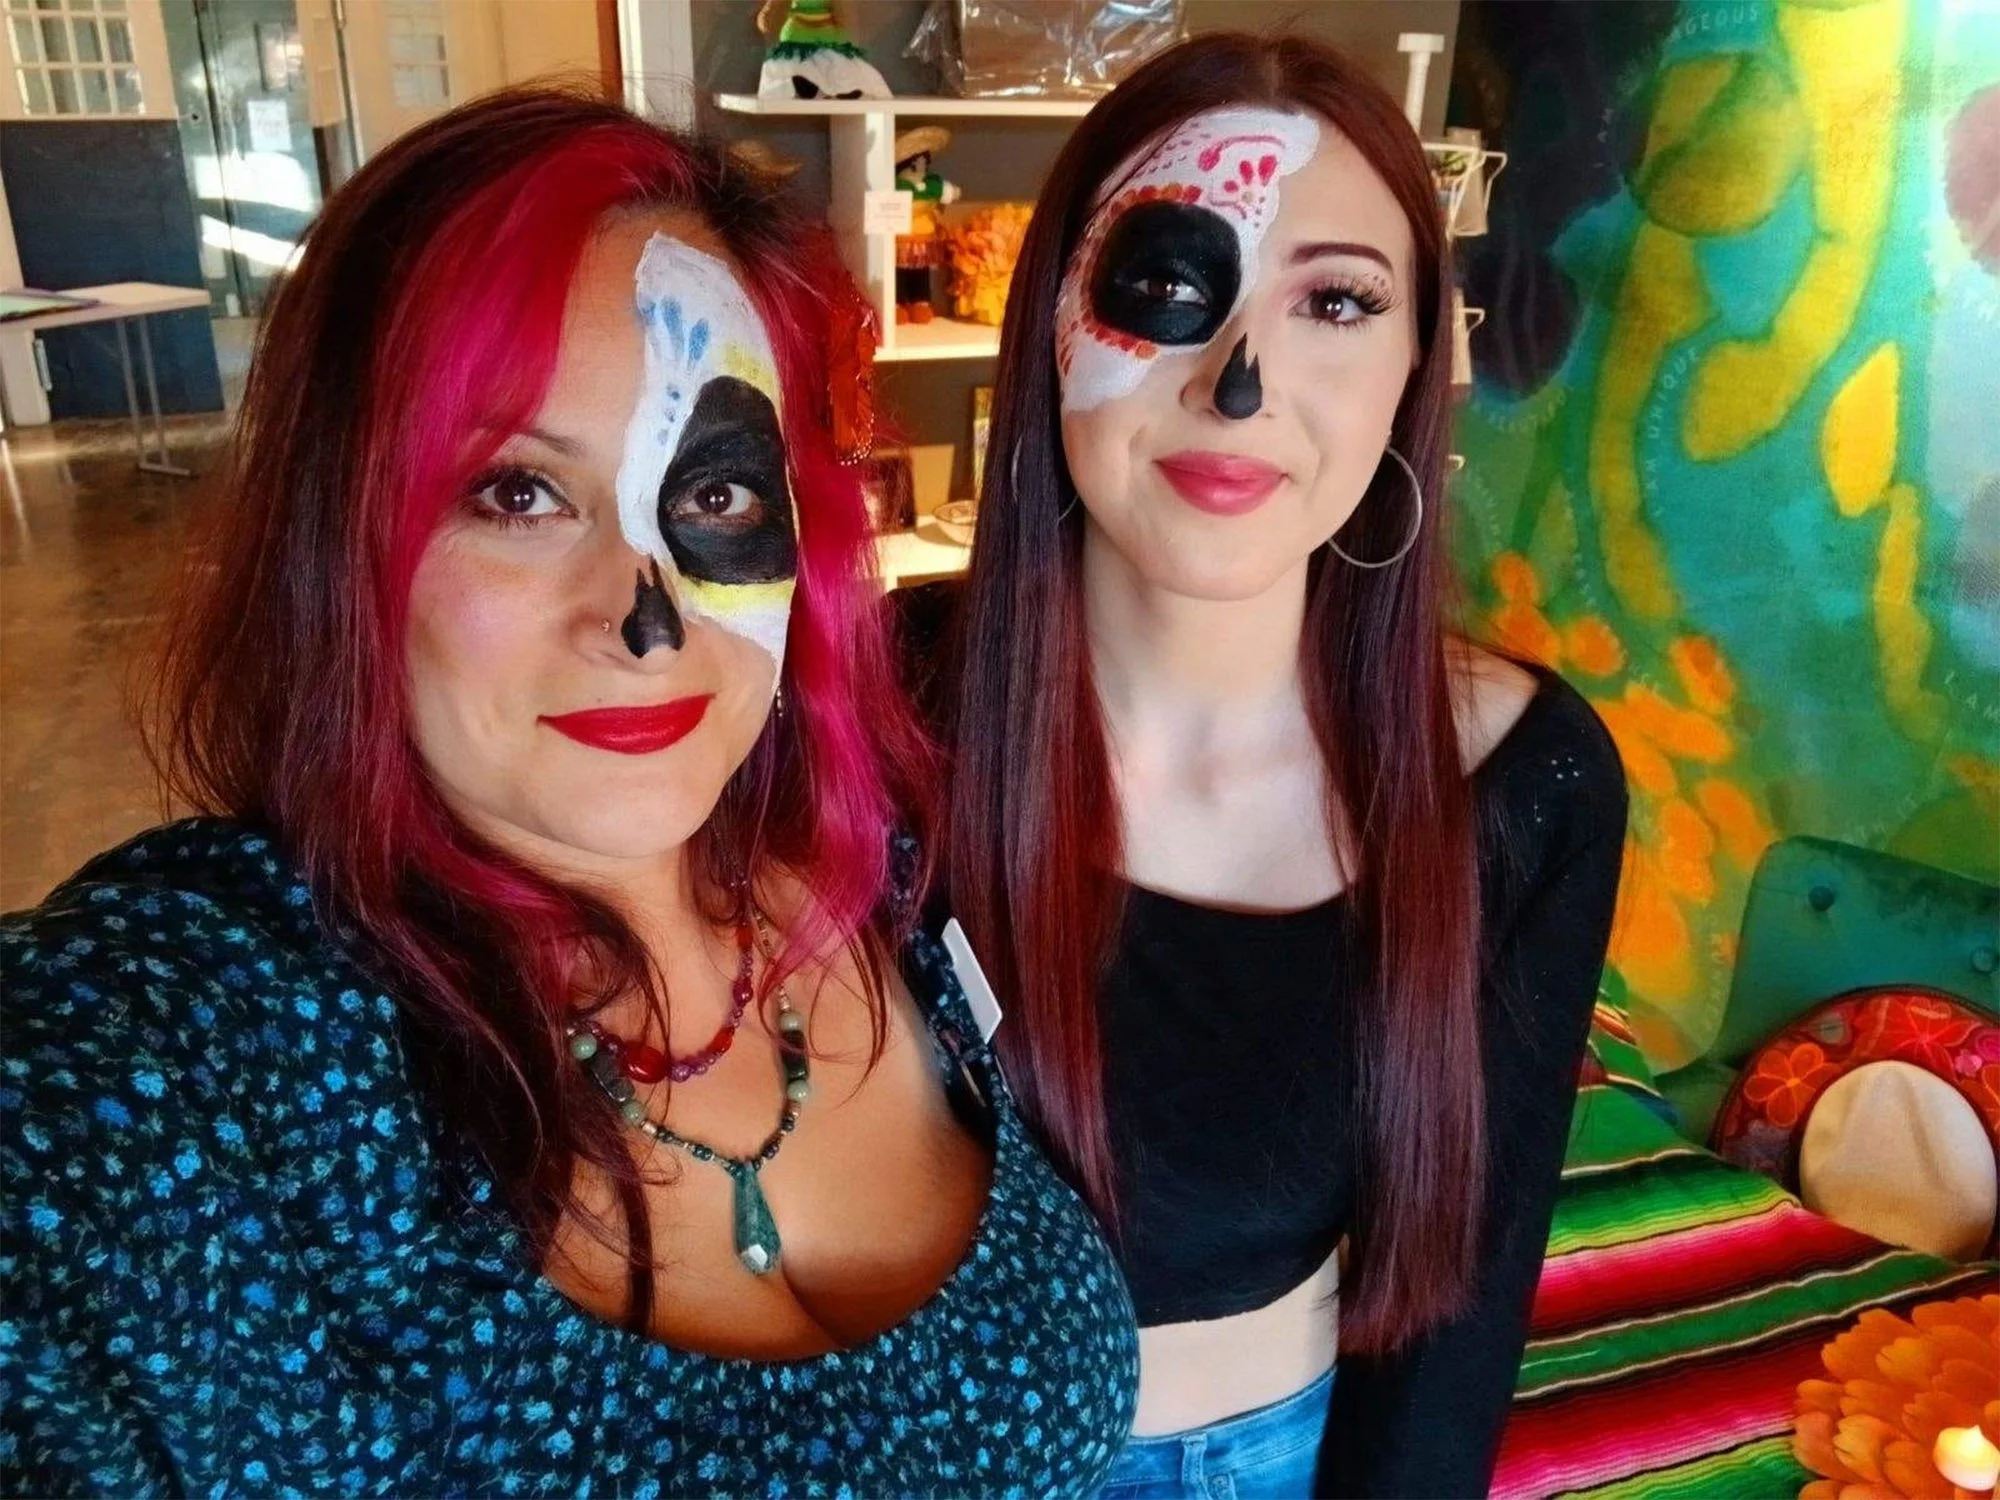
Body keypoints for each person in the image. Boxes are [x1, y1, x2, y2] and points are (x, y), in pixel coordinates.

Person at [0, 89, 1136, 1496]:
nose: (645, 619)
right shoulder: (199, 1033)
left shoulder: (884, 872)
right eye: (517, 494)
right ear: (341, 539)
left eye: (715, 495)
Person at [907, 32, 1629, 1498]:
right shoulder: (868, 700)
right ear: (1053, 319)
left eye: (1339, 303)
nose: (1244, 382)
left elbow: (1459, 1324)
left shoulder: (1522, 786)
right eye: (1169, 286)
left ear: (1421, 361)